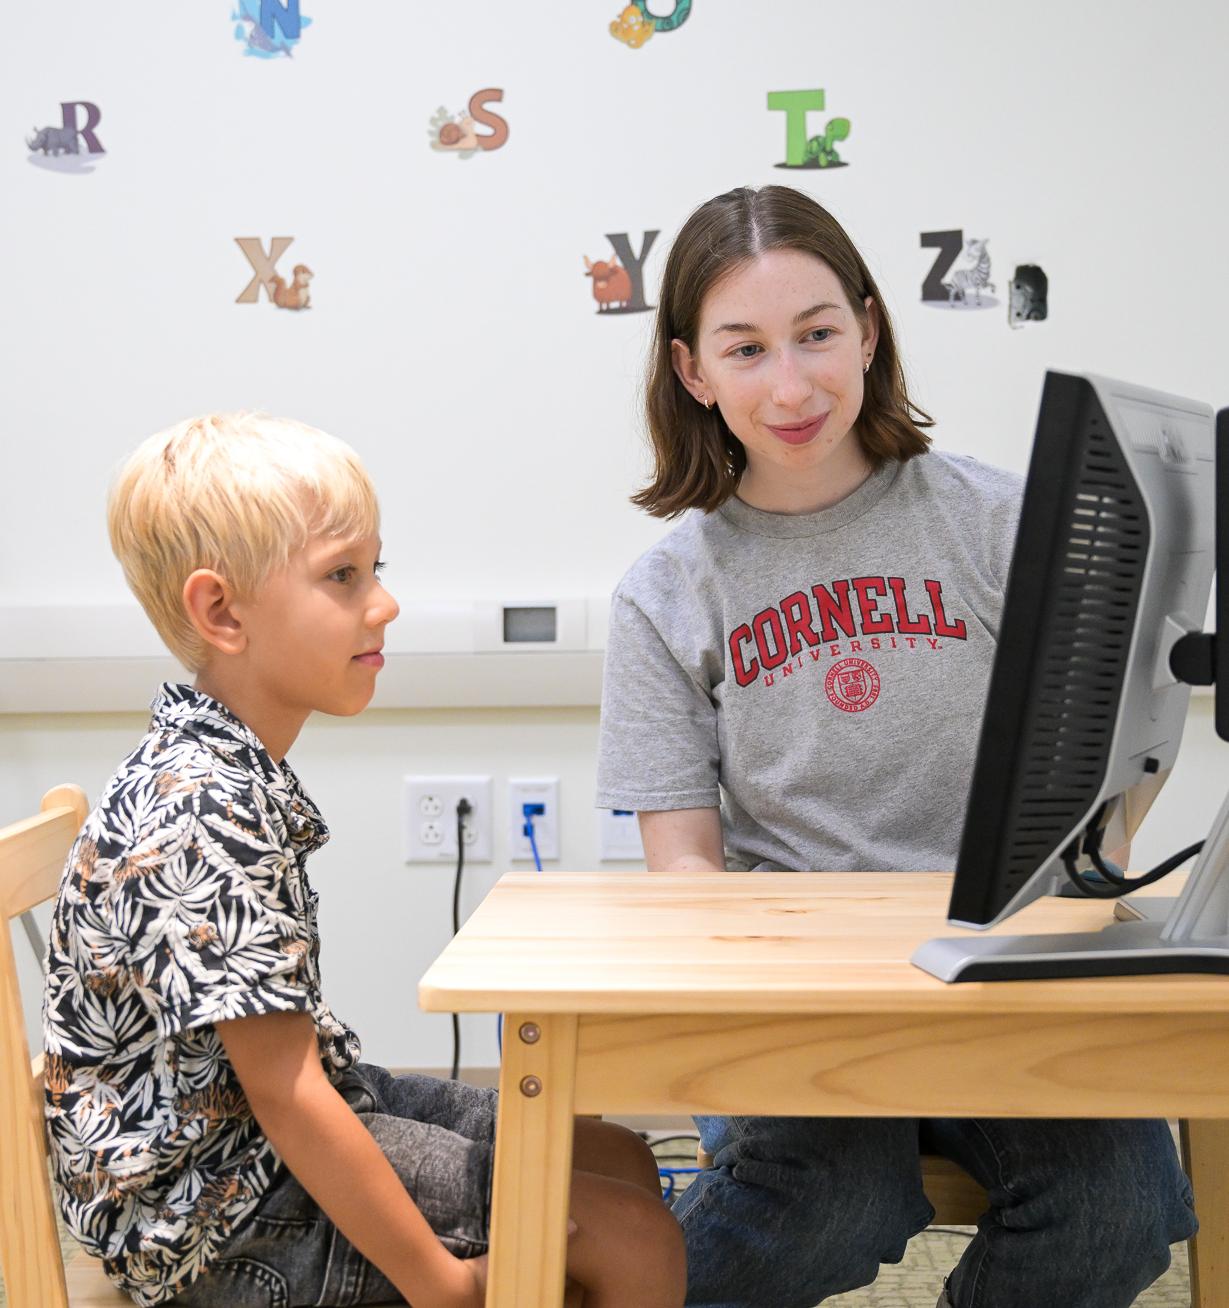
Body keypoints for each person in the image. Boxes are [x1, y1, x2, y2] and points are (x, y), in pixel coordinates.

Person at [595, 185, 1197, 1308]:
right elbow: (682, 871)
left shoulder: (1000, 524)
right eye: (746, 348)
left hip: (994, 980)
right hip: (796, 1003)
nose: (791, 384)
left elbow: (1120, 765)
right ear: (692, 373)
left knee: (1121, 1207)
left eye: (818, 334)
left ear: (868, 330)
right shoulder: (664, 593)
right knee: (831, 1199)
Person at [43, 413, 686, 1308]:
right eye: (342, 576)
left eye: (374, 570)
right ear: (221, 612)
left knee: (615, 1153)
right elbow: (287, 1093)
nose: (382, 603)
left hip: (255, 1145)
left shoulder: (224, 760)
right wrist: (439, 1285)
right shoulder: (199, 806)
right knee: (633, 1242)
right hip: (217, 1222)